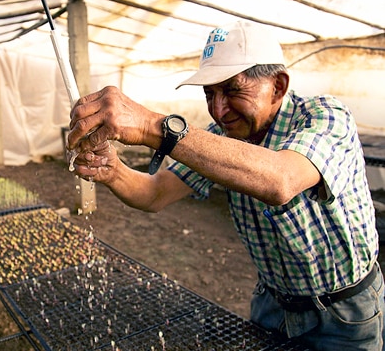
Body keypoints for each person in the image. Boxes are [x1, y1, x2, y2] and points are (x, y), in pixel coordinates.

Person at [67, 21, 384, 350]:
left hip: (343, 312)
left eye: (233, 90)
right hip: (272, 304)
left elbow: (281, 179)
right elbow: (155, 192)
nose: (218, 109)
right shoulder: (220, 138)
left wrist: (152, 125)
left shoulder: (325, 116)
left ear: (278, 86)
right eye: (209, 93)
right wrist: (113, 170)